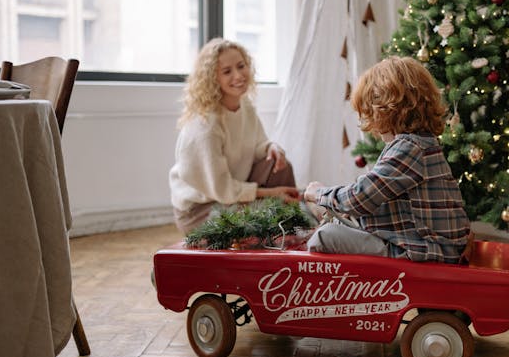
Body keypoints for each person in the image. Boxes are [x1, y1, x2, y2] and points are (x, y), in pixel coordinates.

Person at [303, 56, 470, 263]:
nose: (369, 122)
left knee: (324, 237)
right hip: (417, 242)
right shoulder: (420, 143)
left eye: (369, 113)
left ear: (387, 111)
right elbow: (382, 200)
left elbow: (359, 198)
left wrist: (318, 192)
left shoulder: (410, 148)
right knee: (329, 216)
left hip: (422, 251)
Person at [169, 37, 299, 234]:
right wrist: (271, 194)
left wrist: (270, 147)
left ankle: (292, 226)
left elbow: (256, 145)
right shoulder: (207, 125)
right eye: (227, 71)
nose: (238, 75)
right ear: (213, 78)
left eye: (241, 66)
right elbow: (222, 189)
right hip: (200, 210)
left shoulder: (244, 106)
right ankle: (284, 228)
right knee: (266, 213)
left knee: (280, 165)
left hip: (231, 196)